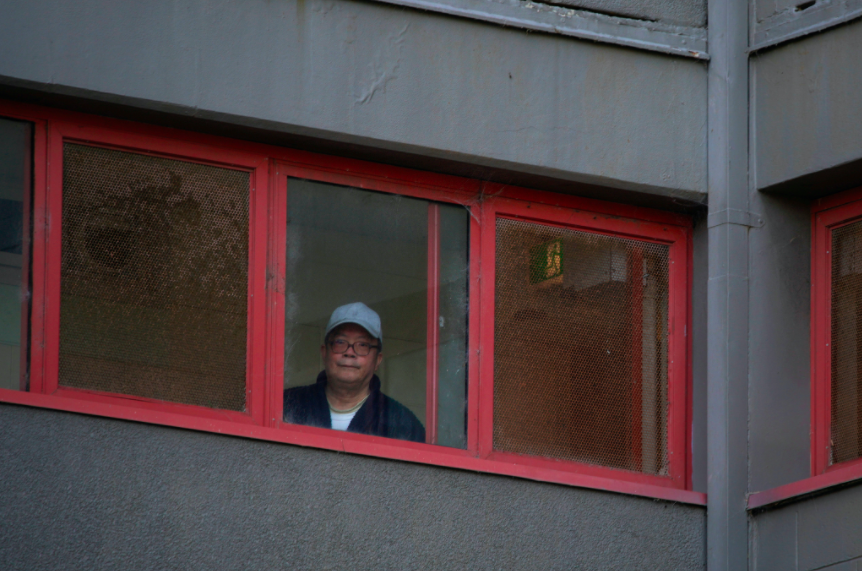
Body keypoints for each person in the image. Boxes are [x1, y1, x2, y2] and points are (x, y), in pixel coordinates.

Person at [283, 302, 426, 443]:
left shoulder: (405, 425)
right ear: (324, 353)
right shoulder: (288, 404)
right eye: (340, 342)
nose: (350, 352)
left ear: (378, 360)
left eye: (363, 345)